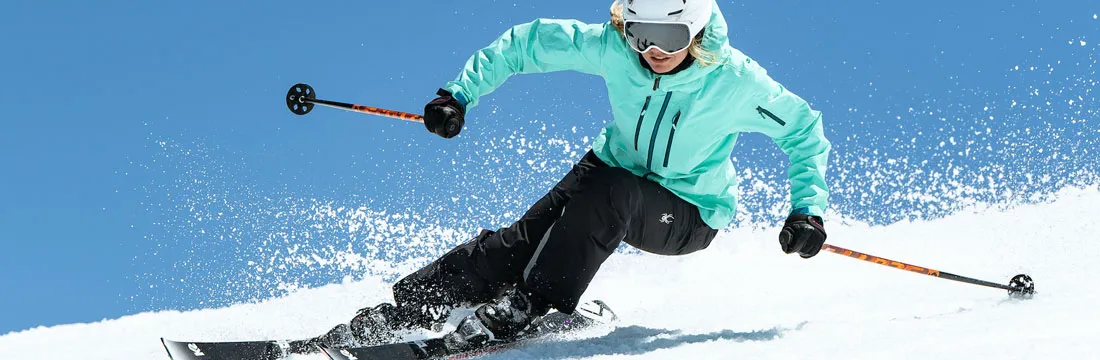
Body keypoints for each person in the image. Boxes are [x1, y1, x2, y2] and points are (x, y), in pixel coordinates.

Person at [304, 0, 830, 350]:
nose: (652, 48)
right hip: (608, 173)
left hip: (687, 212)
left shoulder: (734, 81)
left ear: (695, 31)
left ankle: (534, 304)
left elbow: (803, 130)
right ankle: (411, 309)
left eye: (668, 34)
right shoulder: (616, 49)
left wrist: (807, 209)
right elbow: (527, 43)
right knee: (518, 243)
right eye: (641, 31)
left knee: (612, 190)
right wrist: (458, 94)